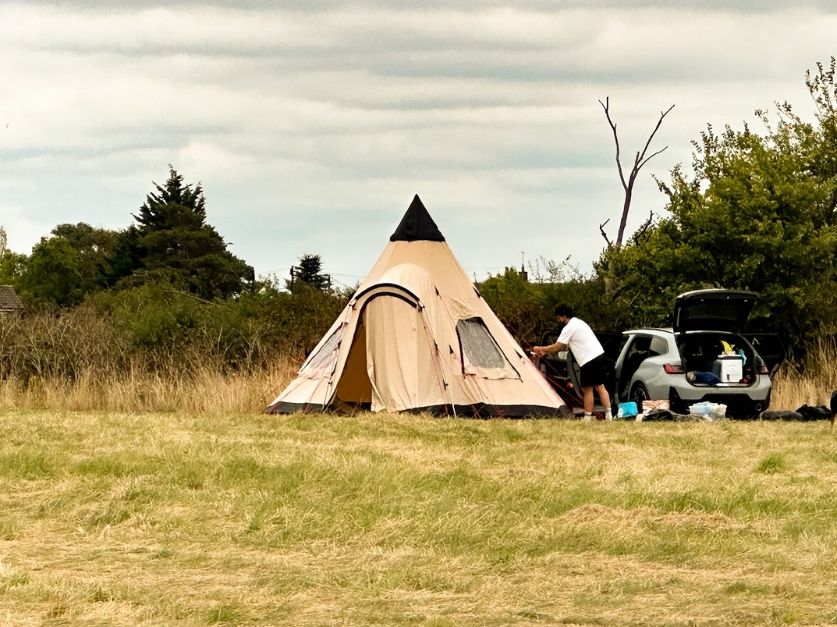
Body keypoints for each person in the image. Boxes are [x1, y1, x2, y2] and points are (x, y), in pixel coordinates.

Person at [533, 305, 613, 421]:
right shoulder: (579, 323)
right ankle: (609, 416)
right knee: (600, 387)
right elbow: (565, 346)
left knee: (587, 389)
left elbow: (557, 346)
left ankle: (587, 418)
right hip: (599, 355)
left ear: (564, 316)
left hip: (588, 359)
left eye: (559, 317)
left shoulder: (569, 327)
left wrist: (540, 348)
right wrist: (545, 352)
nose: (558, 320)